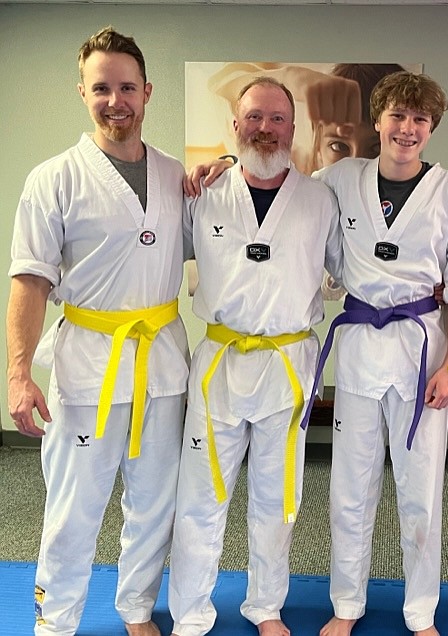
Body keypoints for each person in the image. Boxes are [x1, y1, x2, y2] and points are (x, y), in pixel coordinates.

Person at [6, 26, 189, 636]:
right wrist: (18, 373)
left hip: (162, 362)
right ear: (83, 93)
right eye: (102, 88)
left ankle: (136, 609)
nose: (117, 101)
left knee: (154, 502)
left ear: (148, 92)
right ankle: (55, 622)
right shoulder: (52, 177)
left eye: (127, 87)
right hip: (87, 365)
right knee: (74, 507)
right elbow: (29, 280)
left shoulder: (175, 177)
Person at [168, 77, 342, 636]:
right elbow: (153, 255)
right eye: (254, 118)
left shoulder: (320, 199)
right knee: (200, 494)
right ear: (235, 126)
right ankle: (191, 613)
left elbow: (348, 271)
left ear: (295, 129)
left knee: (277, 496)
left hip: (287, 367)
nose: (265, 128)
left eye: (277, 119)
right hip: (219, 361)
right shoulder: (201, 194)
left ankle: (265, 607)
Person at [311, 71, 448, 636]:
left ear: (430, 129)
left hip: (421, 349)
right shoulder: (339, 177)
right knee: (350, 487)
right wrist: (224, 169)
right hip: (359, 342)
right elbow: (279, 193)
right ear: (377, 121)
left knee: (421, 492)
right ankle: (346, 605)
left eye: (420, 121)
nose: (407, 130)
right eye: (398, 117)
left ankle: (420, 612)